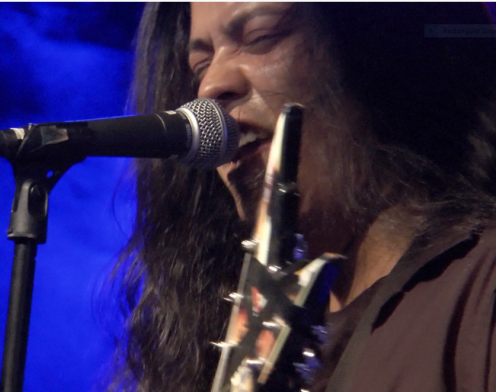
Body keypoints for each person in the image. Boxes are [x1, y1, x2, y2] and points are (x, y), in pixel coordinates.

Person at [108, 3, 496, 392]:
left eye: (261, 37)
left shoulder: (479, 294)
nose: (209, 88)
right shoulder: (230, 346)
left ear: (376, 53)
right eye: (199, 66)